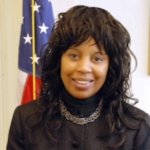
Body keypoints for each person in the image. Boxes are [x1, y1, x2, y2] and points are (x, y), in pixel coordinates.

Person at [7, 5, 150, 150]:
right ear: (59, 59)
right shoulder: (25, 119)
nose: (83, 68)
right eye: (74, 56)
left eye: (97, 58)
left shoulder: (138, 127)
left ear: (111, 66)